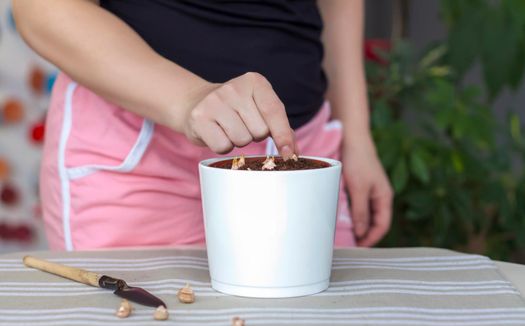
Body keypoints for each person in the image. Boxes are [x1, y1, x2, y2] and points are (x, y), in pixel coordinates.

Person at [13, 0, 393, 251]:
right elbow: (45, 9)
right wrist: (188, 99)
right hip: (141, 158)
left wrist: (357, 137)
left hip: (304, 152)